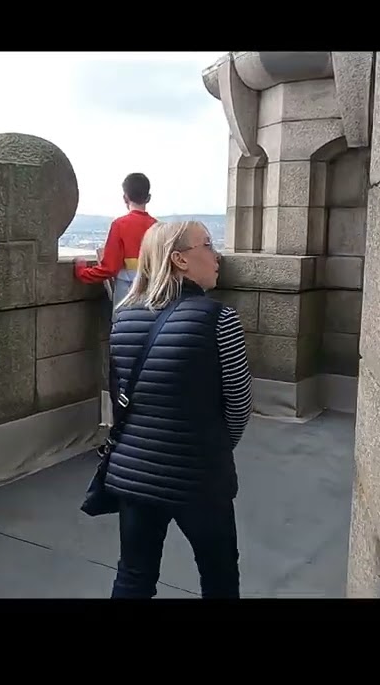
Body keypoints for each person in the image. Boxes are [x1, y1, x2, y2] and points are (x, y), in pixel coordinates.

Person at [103, 220, 252, 599]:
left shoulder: (123, 317)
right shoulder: (220, 319)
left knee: (134, 576)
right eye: (206, 244)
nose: (216, 254)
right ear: (179, 259)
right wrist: (216, 446)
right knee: (219, 577)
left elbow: (119, 397)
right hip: (199, 475)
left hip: (134, 471)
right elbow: (238, 407)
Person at [74, 173, 158, 317]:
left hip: (126, 297)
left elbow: (109, 269)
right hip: (154, 296)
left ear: (125, 198)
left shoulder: (120, 225)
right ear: (148, 198)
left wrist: (82, 271)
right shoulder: (158, 228)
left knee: (124, 335)